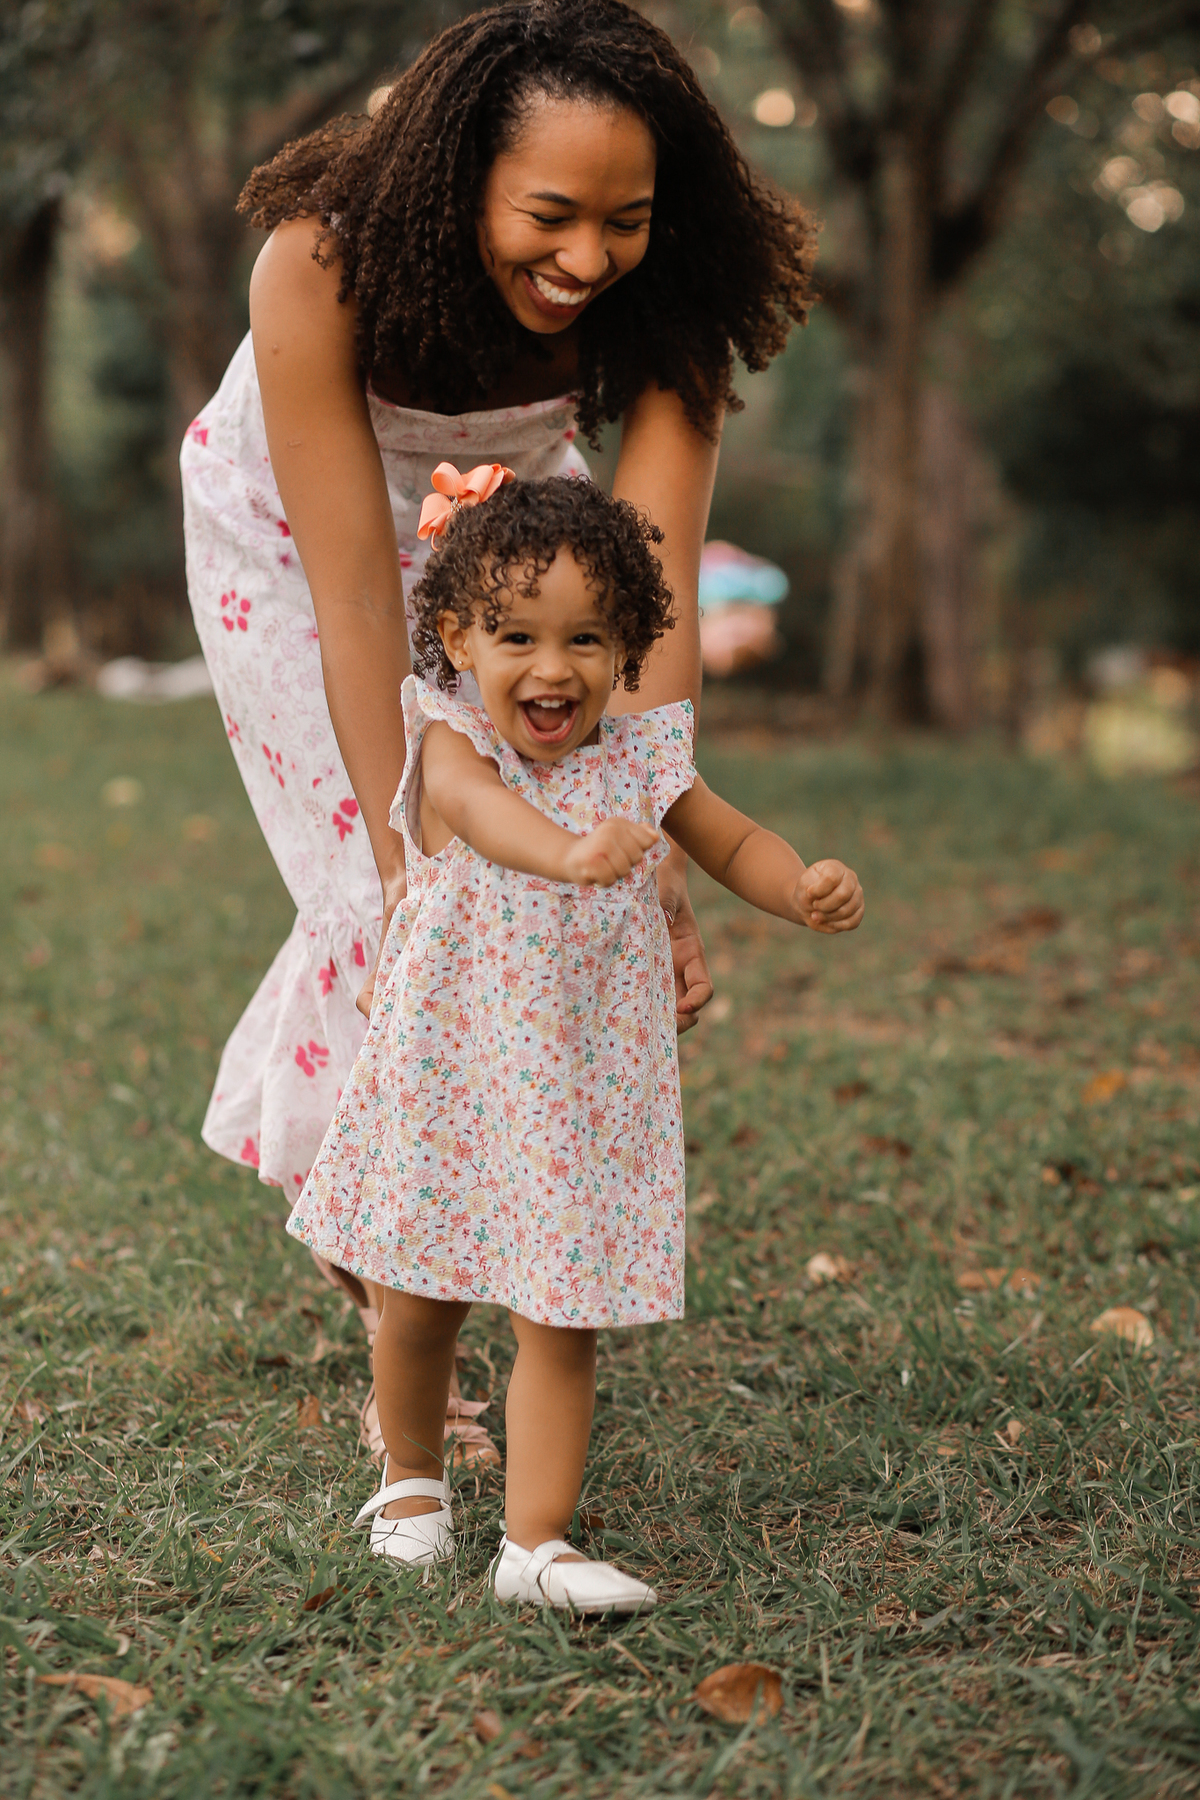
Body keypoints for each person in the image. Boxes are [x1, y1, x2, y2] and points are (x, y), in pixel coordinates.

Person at [180, 0, 816, 1468]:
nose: (587, 259)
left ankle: (401, 1236)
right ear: (461, 178)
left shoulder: (671, 301)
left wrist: (652, 835)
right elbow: (358, 594)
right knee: (387, 895)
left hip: (520, 545)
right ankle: (399, 1309)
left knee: (531, 893)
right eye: (549, 216)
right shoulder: (321, 263)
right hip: (293, 545)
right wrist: (402, 843)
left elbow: (648, 595)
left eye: (625, 221)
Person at [286, 471, 864, 1611]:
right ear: (461, 638)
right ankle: (410, 1488)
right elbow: (482, 817)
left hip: (581, 1092)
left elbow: (730, 837)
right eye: (517, 636)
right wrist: (566, 852)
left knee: (563, 1312)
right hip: (452, 1076)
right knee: (422, 1297)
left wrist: (799, 886)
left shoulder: (644, 759)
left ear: (628, 648)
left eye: (586, 639)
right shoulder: (452, 738)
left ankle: (535, 1545)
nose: (551, 667)